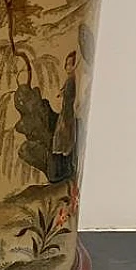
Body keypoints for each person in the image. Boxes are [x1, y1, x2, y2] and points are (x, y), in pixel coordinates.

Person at [50, 50, 80, 187]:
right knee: (61, 139)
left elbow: (70, 98)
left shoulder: (73, 80)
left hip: (68, 113)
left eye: (71, 64)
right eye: (67, 64)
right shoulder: (69, 80)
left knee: (65, 140)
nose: (68, 67)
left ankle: (65, 172)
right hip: (65, 113)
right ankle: (60, 173)